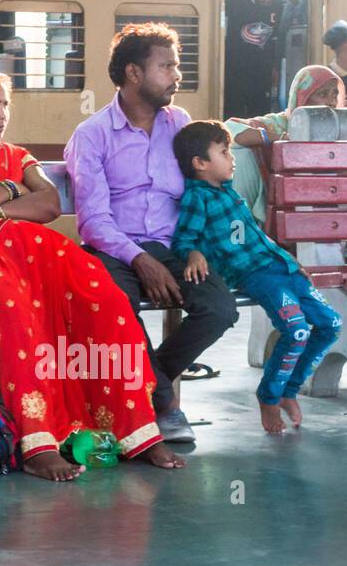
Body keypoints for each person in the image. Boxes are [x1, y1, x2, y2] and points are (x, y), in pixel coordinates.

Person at [0, 68, 184, 481]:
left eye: (5, 106)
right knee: (17, 319)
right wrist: (14, 190)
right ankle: (37, 443)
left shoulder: (16, 156)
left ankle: (136, 431)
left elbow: (49, 205)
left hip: (33, 257)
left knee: (106, 303)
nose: (2, 115)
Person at [65, 23, 239, 445]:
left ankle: (147, 379)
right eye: (166, 67)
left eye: (176, 66)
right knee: (117, 303)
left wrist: (194, 249)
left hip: (174, 248)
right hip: (113, 250)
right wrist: (140, 261)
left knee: (220, 308)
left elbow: (199, 191)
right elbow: (93, 221)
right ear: (133, 73)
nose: (176, 76)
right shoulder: (92, 136)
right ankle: (164, 405)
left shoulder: (179, 125)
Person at [171, 120, 341, 434]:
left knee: (330, 325)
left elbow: (255, 235)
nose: (232, 157)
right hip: (256, 276)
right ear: (200, 163)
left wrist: (287, 257)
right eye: (224, 152)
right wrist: (194, 254)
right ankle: (269, 396)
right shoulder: (198, 199)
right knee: (297, 331)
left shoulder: (230, 191)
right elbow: (183, 240)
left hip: (281, 267)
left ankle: (289, 390)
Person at [224, 65, 347, 262]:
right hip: (279, 218)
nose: (332, 102)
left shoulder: (343, 130)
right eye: (323, 94)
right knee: (241, 157)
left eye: (335, 94)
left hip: (328, 217)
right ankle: (242, 246)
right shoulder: (280, 123)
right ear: (302, 98)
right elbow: (229, 130)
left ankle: (331, 266)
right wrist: (281, 138)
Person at [223, 0, 284, 119]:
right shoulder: (233, 1)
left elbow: (275, 38)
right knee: (233, 109)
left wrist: (275, 67)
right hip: (234, 66)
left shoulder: (277, 6)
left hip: (261, 69)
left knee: (259, 112)